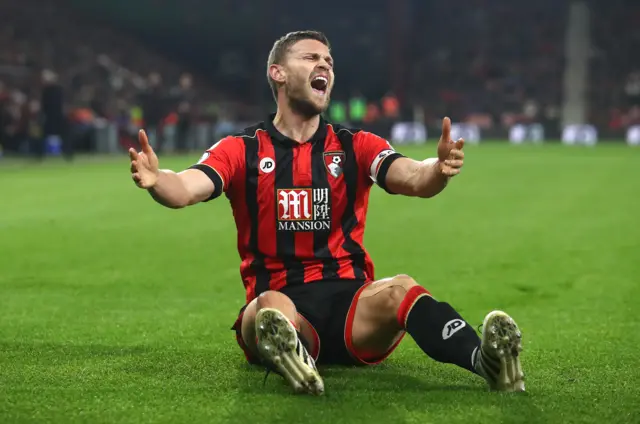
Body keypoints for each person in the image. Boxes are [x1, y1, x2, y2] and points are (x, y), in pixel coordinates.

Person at [128, 30, 525, 395]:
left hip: (353, 306)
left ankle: (485, 361)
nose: (324, 66)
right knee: (268, 307)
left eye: (329, 61)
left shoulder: (356, 145)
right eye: (310, 57)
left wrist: (438, 170)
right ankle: (294, 352)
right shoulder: (242, 148)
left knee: (401, 287)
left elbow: (414, 179)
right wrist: (156, 179)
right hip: (284, 300)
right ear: (278, 73)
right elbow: (185, 188)